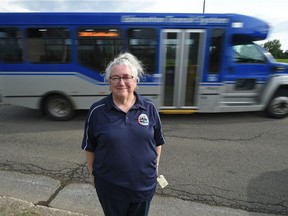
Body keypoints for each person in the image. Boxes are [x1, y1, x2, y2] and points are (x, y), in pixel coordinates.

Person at [81, 52, 165, 216]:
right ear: (109, 82)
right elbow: (89, 147)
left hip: (144, 186)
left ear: (136, 81)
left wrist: (155, 169)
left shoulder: (149, 107)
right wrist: (93, 175)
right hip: (110, 188)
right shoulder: (97, 111)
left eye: (127, 77)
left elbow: (157, 142)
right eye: (115, 78)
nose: (121, 82)